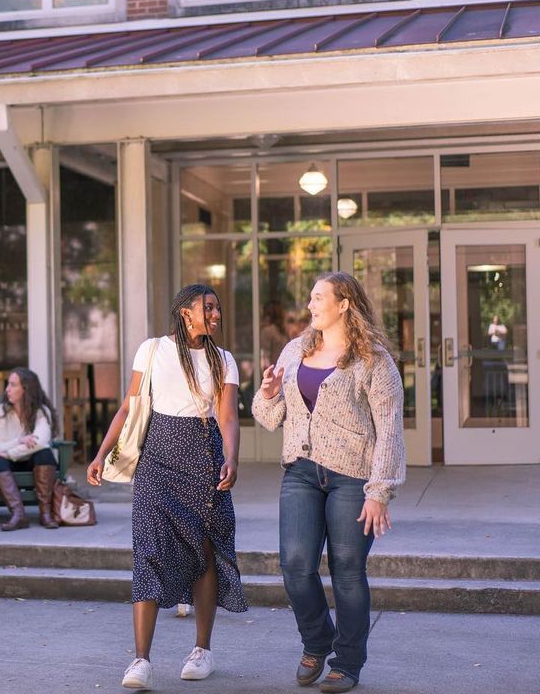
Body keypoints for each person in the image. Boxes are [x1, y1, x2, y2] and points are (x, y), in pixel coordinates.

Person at [87, 284, 247, 688]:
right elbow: (128, 405)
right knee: (148, 549)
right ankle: (140, 660)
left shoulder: (224, 360)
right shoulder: (153, 349)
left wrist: (232, 456)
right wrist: (100, 454)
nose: (215, 314)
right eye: (207, 307)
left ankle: (202, 650)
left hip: (204, 456)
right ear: (184, 311)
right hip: (157, 458)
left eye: (217, 308)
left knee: (205, 549)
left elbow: (227, 417)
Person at [253, 271, 405, 694]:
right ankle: (317, 640)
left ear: (343, 304)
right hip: (301, 471)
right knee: (295, 565)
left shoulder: (373, 359)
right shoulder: (295, 349)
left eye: (319, 297)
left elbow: (389, 430)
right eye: (310, 297)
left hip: (353, 478)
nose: (310, 304)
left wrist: (379, 492)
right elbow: (269, 420)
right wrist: (267, 393)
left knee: (348, 572)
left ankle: (348, 662)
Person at [0, 367, 60, 531]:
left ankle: (45, 513)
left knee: (45, 454)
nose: (7, 389)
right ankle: (18, 514)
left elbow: (40, 443)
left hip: (31, 460)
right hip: (9, 464)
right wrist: (20, 440)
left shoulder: (41, 411)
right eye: (8, 384)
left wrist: (11, 453)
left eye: (13, 385)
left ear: (26, 389)